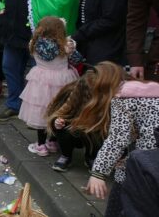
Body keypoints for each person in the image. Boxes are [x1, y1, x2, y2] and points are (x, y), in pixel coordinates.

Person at [80, 63, 159, 215]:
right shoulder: (150, 88)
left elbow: (117, 139)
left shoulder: (123, 97)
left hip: (147, 162)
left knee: (122, 197)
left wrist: (98, 173)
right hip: (153, 155)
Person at [18, 16, 81, 156]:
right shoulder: (66, 45)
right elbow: (77, 60)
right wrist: (72, 48)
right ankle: (52, 141)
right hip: (62, 81)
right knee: (57, 109)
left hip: (40, 80)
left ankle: (41, 145)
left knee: (40, 111)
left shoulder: (33, 44)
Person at [46, 72, 102, 172]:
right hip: (71, 128)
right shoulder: (70, 93)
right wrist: (57, 122)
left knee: (97, 130)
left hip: (91, 129)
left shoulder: (104, 99)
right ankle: (66, 155)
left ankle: (91, 157)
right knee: (62, 127)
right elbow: (55, 114)